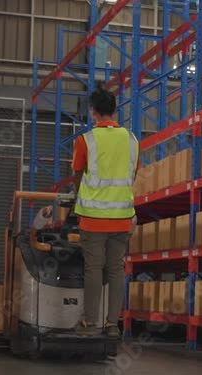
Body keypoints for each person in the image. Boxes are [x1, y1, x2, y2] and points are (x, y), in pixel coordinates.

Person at [69, 84, 139, 337]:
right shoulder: (131, 140)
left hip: (93, 219)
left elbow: (77, 173)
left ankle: (89, 321)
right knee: (116, 269)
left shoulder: (86, 140)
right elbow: (132, 174)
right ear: (114, 110)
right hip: (122, 218)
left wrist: (81, 194)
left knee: (93, 270)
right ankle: (112, 325)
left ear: (94, 111)